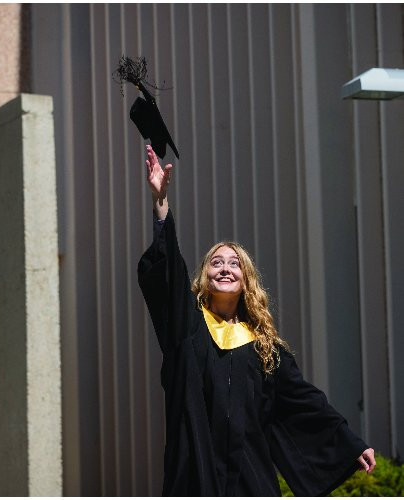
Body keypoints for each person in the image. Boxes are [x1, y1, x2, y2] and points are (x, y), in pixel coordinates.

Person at [137, 144, 375, 496]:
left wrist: (350, 443)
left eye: (234, 264)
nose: (225, 268)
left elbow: (303, 400)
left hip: (251, 476)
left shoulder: (263, 347)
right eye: (216, 263)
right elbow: (168, 274)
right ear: (204, 277)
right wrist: (161, 204)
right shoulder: (187, 328)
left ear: (246, 280)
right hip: (196, 470)